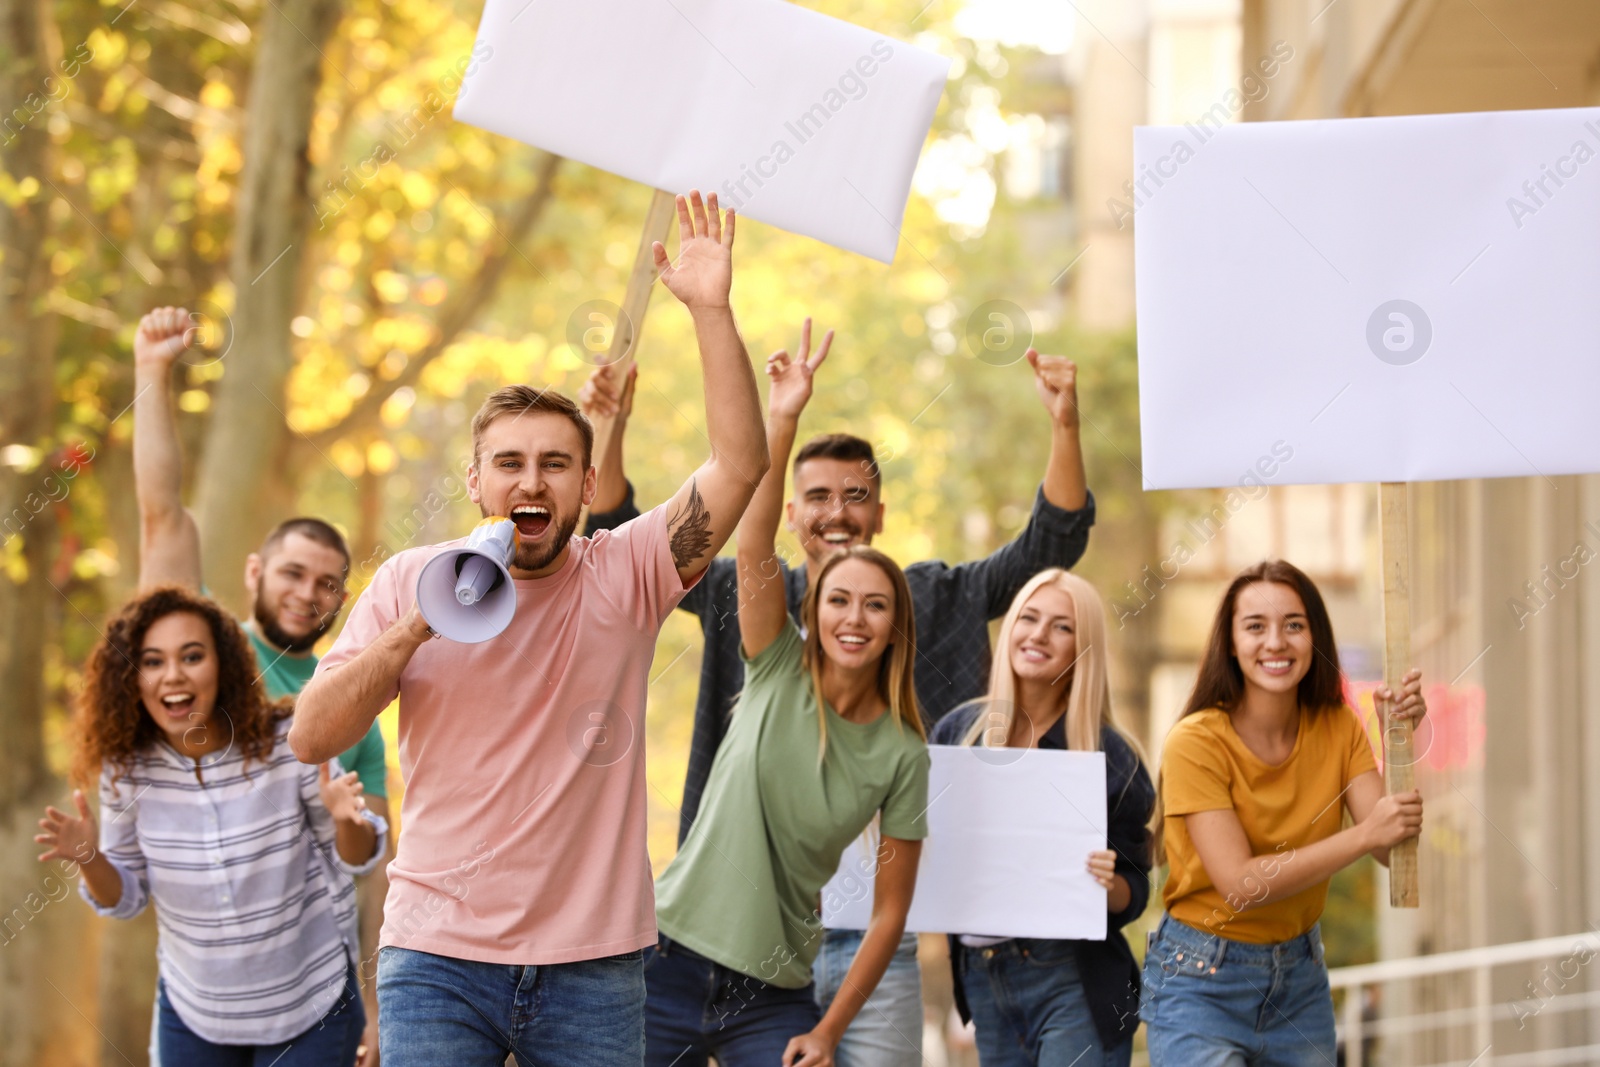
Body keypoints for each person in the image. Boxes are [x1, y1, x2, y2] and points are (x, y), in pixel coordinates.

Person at [288, 190, 769, 1067]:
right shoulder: (408, 580)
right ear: (477, 482)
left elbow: (741, 463)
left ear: (587, 486)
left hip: (595, 967)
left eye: (555, 462)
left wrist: (710, 310)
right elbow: (312, 731)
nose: (530, 480)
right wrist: (419, 626)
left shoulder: (628, 570)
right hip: (436, 958)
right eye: (509, 462)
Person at [582, 320, 1095, 1066]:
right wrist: (613, 426)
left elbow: (1048, 551)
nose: (836, 512)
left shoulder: (931, 600)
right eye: (816, 496)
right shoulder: (757, 617)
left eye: (856, 496)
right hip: (710, 927)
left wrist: (1065, 424)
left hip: (858, 946)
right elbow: (620, 534)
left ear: (879, 517)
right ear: (791, 512)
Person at [645, 332, 931, 1067]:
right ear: (817, 607)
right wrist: (784, 417)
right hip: (665, 958)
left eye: (874, 605)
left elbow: (891, 914)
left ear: (896, 622)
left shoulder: (903, 751)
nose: (854, 618)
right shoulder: (773, 663)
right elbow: (752, 543)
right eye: (839, 600)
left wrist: (829, 1028)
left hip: (773, 991)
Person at [133, 305, 390, 1062]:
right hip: (198, 995)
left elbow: (369, 863)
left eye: (326, 584)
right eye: (292, 573)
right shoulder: (200, 655)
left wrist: (372, 1004)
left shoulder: (350, 706)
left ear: (340, 601)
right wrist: (152, 372)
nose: (307, 592)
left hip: (312, 997)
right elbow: (161, 517)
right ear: (254, 572)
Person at [33, 585, 387, 1065]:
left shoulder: (288, 741)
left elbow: (357, 858)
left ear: (223, 663)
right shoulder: (126, 770)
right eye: (153, 662)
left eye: (192, 656)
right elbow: (127, 896)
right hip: (195, 1012)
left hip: (311, 1006)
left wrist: (348, 819)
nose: (172, 676)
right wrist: (89, 858)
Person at [1141, 560, 1427, 1064]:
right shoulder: (1196, 742)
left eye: (1294, 625)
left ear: (1314, 636)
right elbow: (1240, 885)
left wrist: (1395, 743)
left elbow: (1389, 848)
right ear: (1230, 642)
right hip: (1199, 979)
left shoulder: (1338, 725)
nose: (1276, 642)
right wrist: (1362, 837)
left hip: (1298, 979)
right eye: (1255, 626)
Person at [930, 569, 1153, 1065]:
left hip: (1073, 976)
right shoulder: (957, 733)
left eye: (1062, 626)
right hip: (983, 977)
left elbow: (1133, 893)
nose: (1038, 635)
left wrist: (1109, 880)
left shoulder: (1112, 758)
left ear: (1083, 648)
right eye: (1028, 618)